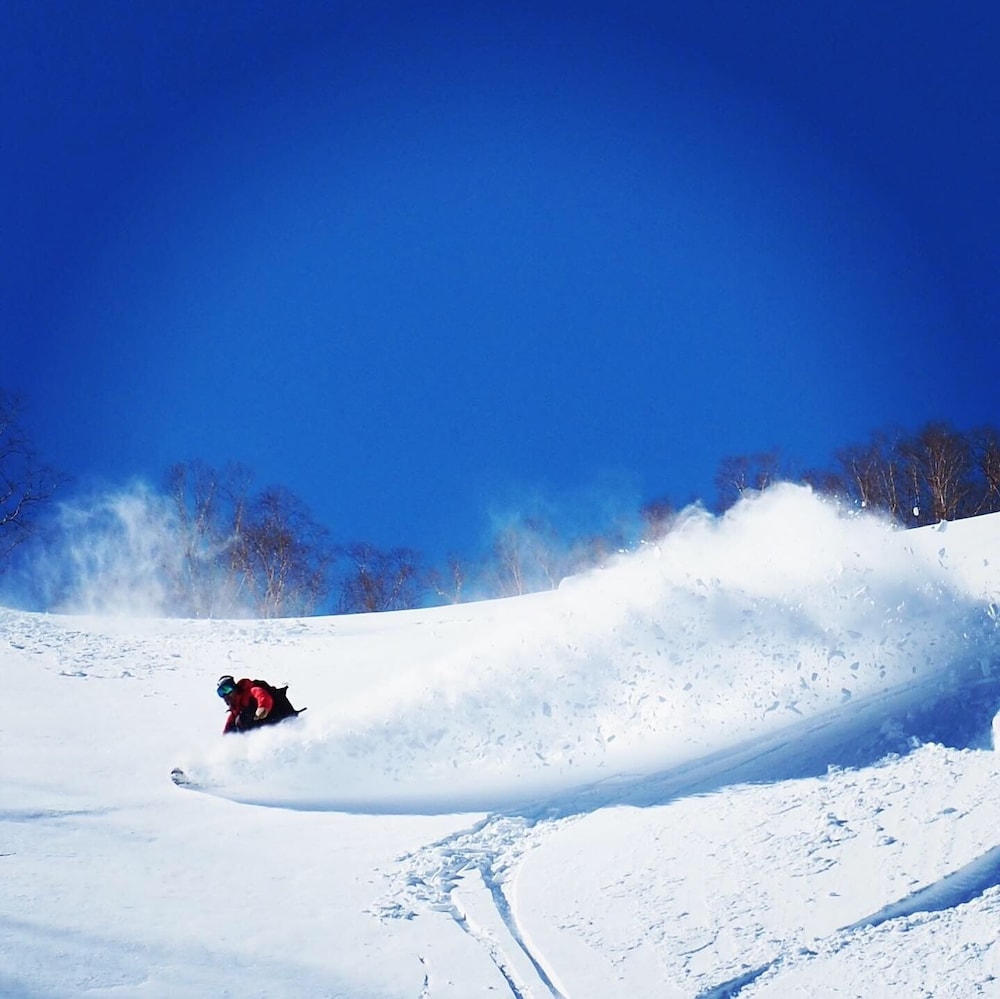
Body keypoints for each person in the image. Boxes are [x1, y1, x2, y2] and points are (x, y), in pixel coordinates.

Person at [217, 674, 303, 734]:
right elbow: (227, 733)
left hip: (279, 721)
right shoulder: (235, 712)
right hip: (260, 736)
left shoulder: (250, 691)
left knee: (243, 718)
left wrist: (262, 709)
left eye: (227, 689)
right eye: (221, 693)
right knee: (238, 722)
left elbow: (263, 696)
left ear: (234, 687)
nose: (225, 695)